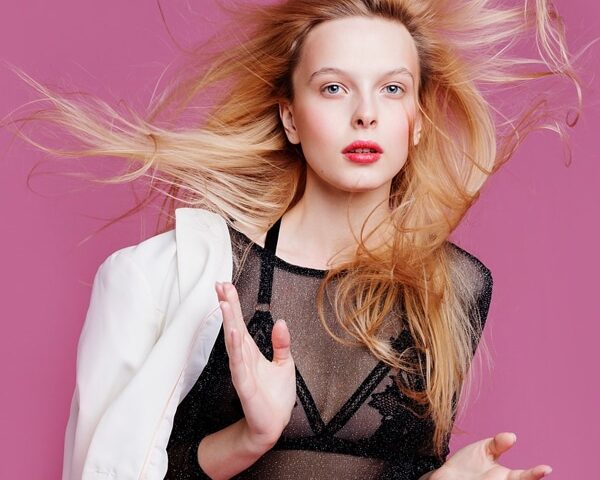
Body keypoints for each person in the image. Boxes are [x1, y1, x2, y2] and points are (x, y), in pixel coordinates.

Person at [10, 0, 581, 479]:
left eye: (392, 89)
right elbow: (109, 469)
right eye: (333, 88)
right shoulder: (178, 274)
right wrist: (249, 438)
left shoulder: (455, 286)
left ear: (418, 121)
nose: (365, 114)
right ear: (289, 117)